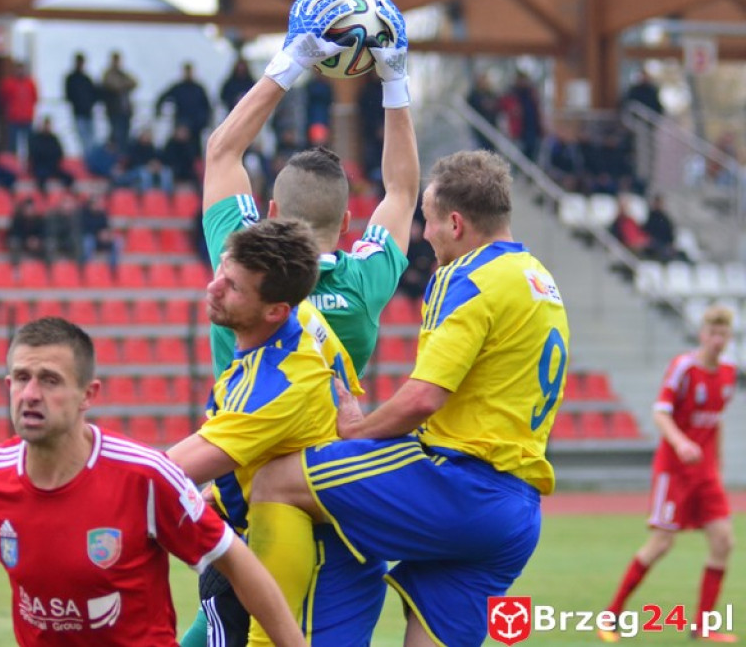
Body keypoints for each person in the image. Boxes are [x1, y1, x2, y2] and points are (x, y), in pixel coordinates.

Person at [249, 149, 570, 647]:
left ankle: (267, 641)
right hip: (516, 517)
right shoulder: (541, 280)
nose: (424, 235)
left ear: (457, 223)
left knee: (276, 480)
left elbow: (422, 399)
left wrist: (357, 429)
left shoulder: (466, 278)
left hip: (461, 483)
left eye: (429, 221)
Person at [180, 0, 419, 647]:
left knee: (236, 621)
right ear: (347, 222)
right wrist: (394, 80)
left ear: (270, 216)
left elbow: (221, 155)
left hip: (242, 472)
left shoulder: (245, 261)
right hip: (332, 477)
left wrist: (290, 64)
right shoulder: (367, 279)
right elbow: (402, 190)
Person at [0, 316, 308, 647]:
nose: (30, 393)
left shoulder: (143, 476)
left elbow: (234, 558)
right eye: (21, 378)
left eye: (50, 380)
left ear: (88, 395)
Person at [165, 218, 371, 647]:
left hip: (281, 553)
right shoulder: (304, 318)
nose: (213, 286)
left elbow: (164, 473)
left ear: (276, 310)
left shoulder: (276, 387)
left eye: (234, 286)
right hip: (282, 541)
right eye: (221, 269)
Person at [598, 305, 737, 644]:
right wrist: (681, 443)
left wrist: (715, 467)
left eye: (723, 335)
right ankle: (609, 617)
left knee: (724, 541)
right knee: (661, 543)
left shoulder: (729, 374)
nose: (718, 341)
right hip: (673, 471)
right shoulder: (683, 368)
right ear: (702, 334)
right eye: (713, 333)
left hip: (705, 475)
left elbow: (713, 424)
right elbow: (660, 413)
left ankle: (703, 625)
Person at [156, 62, 212, 157]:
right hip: (180, 124)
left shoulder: (199, 89)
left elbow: (207, 107)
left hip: (196, 127)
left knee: (195, 154)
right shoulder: (178, 88)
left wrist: (203, 122)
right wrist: (158, 111)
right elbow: (163, 97)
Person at [99, 51, 137, 152]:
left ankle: (123, 156)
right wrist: (124, 84)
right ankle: (116, 156)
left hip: (125, 110)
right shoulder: (108, 73)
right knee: (117, 135)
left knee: (125, 135)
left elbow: (134, 82)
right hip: (115, 110)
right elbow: (114, 86)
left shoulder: (122, 73)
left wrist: (123, 84)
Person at [27, 115, 74, 194]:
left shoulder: (54, 139)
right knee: (41, 177)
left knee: (69, 178)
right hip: (40, 166)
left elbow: (59, 153)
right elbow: (34, 154)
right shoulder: (35, 139)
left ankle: (69, 194)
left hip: (52, 166)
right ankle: (43, 197)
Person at [64, 52, 98, 155]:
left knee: (91, 139)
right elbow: (69, 95)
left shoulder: (86, 78)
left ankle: (90, 159)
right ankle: (88, 159)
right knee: (84, 139)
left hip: (88, 112)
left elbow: (94, 93)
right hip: (79, 112)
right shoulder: (72, 78)